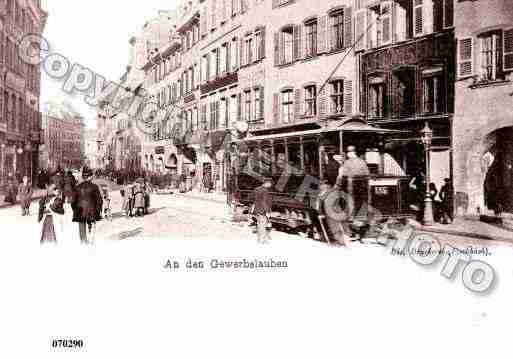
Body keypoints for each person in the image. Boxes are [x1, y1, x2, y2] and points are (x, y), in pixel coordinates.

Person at [72, 166, 103, 243]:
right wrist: (98, 211)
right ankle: (91, 244)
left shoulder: (77, 187)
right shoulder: (94, 187)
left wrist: (75, 210)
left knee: (82, 230)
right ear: (90, 176)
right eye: (92, 175)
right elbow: (99, 201)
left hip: (80, 211)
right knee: (92, 230)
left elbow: (73, 201)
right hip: (91, 211)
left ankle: (83, 243)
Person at [316, 180, 349, 246]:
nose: (322, 187)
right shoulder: (321, 195)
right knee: (334, 228)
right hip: (329, 214)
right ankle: (339, 242)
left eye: (324, 185)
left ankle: (342, 242)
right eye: (322, 185)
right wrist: (320, 213)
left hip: (335, 213)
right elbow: (319, 206)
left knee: (338, 228)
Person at [253, 177, 273, 244]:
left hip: (257, 210)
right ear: (267, 183)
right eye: (270, 184)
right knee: (263, 225)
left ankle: (259, 239)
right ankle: (262, 240)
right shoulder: (265, 191)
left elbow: (255, 200)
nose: (271, 185)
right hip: (262, 211)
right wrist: (267, 211)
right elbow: (263, 202)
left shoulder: (256, 189)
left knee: (259, 225)